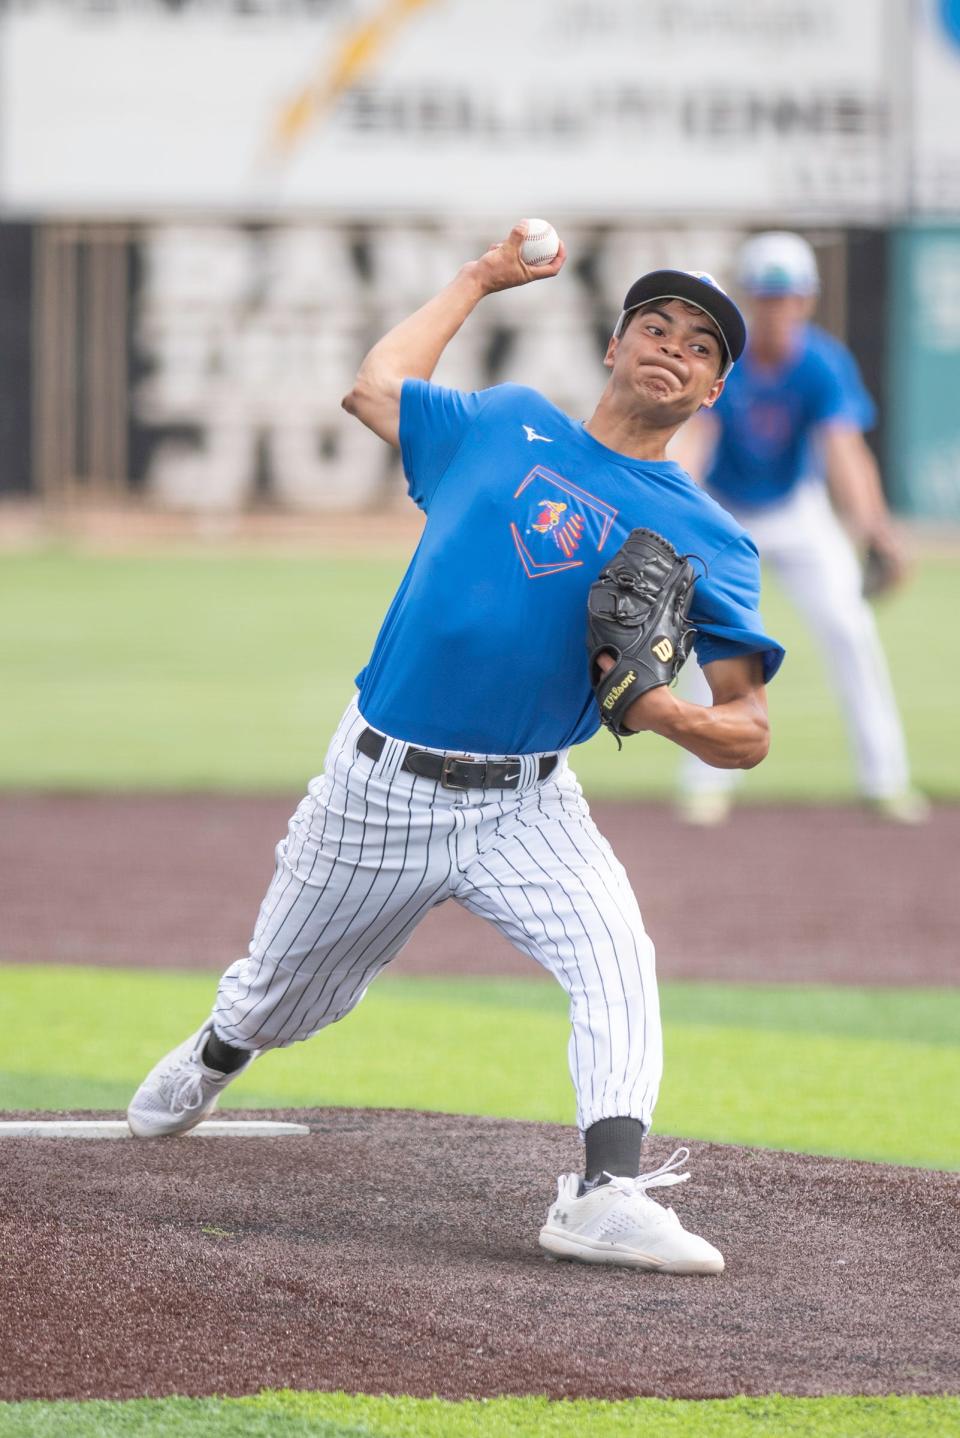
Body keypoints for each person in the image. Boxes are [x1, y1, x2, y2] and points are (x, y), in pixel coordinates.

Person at [127, 222, 784, 1276]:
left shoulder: (710, 536)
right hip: (380, 787)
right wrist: (478, 278)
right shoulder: (505, 425)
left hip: (529, 802)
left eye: (703, 346)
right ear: (612, 348)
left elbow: (747, 731)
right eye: (655, 325)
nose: (675, 347)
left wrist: (663, 712)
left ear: (712, 391)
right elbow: (374, 386)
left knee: (616, 954)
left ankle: (605, 1189)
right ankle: (219, 1047)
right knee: (288, 995)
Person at [672, 231, 926, 825]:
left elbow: (844, 451)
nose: (776, 307)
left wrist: (876, 530)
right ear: (749, 299)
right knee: (705, 642)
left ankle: (884, 780)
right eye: (765, 295)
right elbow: (695, 446)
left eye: (786, 296)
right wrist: (668, 515)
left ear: (806, 299)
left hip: (796, 509)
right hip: (726, 510)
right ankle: (703, 784)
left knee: (850, 629)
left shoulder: (820, 362)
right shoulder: (725, 361)